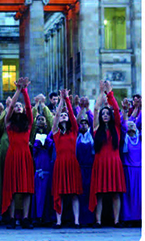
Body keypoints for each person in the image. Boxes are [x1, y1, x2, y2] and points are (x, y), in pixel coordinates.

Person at [89, 81, 125, 228]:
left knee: (115, 193)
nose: (104, 115)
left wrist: (110, 93)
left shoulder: (116, 128)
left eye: (106, 113)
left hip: (114, 163)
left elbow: (116, 109)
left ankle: (116, 221)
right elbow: (96, 108)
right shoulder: (96, 128)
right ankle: (98, 221)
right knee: (100, 193)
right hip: (100, 163)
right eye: (103, 114)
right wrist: (101, 92)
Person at [1, 77, 34, 229]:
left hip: (25, 156)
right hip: (13, 156)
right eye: (16, 107)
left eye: (20, 106)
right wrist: (18, 91)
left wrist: (25, 92)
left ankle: (26, 218)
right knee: (13, 188)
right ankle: (13, 218)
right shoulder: (9, 122)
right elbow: (11, 105)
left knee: (27, 188)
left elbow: (28, 107)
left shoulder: (28, 123)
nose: (19, 107)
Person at [51, 89, 82, 228]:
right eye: (61, 115)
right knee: (60, 193)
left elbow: (73, 116)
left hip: (72, 163)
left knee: (74, 194)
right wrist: (62, 100)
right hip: (60, 164)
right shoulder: (56, 133)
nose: (63, 116)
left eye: (66, 115)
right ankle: (59, 221)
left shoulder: (74, 131)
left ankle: (76, 221)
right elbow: (56, 115)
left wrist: (68, 101)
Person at [120, 99, 141, 225]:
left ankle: (139, 218)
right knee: (127, 196)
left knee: (139, 196)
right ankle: (128, 218)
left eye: (133, 124)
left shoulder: (141, 138)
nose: (131, 126)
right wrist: (126, 111)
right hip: (127, 170)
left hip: (140, 171)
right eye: (129, 125)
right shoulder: (124, 139)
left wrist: (139, 107)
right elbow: (123, 123)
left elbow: (140, 120)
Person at [75, 114, 94, 226]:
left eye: (85, 123)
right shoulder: (76, 136)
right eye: (81, 123)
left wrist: (87, 109)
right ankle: (79, 218)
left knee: (89, 193)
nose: (83, 125)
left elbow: (93, 120)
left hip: (90, 168)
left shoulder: (91, 136)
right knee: (79, 193)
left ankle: (89, 218)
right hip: (78, 168)